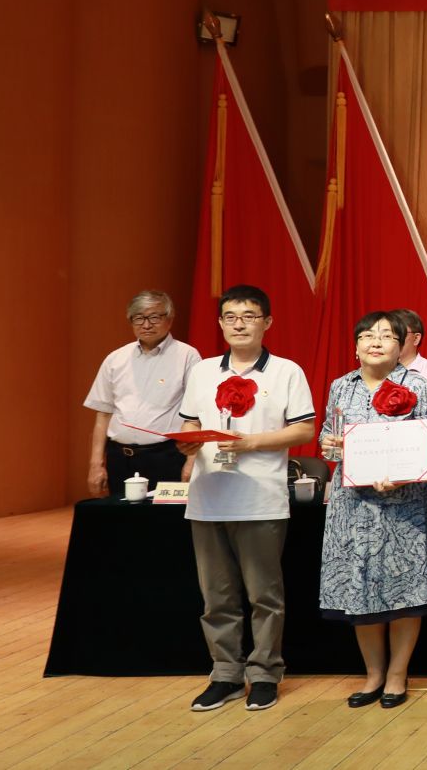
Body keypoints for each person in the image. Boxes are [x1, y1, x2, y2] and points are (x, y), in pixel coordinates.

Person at [173, 284, 315, 713]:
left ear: (267, 322)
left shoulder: (286, 371)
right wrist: (187, 443)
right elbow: (190, 423)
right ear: (220, 323)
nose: (239, 324)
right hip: (208, 498)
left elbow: (304, 429)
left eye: (249, 316)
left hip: (260, 499)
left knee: (263, 596)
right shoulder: (203, 371)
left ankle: (266, 674)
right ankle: (226, 675)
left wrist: (250, 443)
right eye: (231, 316)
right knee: (216, 597)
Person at [317, 311, 427, 708]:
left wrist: (403, 476)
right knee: (360, 590)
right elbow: (328, 435)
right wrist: (329, 446)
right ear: (355, 345)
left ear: (401, 345)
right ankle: (373, 675)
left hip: (404, 506)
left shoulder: (419, 386)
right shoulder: (341, 386)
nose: (376, 341)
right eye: (367, 335)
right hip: (353, 506)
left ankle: (397, 674)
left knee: (405, 590)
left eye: (387, 336)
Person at [84, 289, 202, 494]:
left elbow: (197, 414)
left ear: (170, 319)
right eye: (138, 318)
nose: (146, 325)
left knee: (164, 515)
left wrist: (192, 461)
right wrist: (96, 464)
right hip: (119, 457)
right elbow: (103, 414)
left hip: (166, 457)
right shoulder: (115, 359)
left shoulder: (187, 356)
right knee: (121, 514)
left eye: (154, 317)